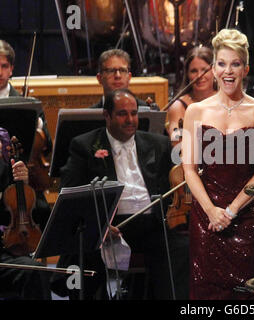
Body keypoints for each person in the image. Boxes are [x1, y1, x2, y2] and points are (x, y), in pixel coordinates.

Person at [52, 88, 189, 300]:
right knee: (84, 251)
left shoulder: (157, 143)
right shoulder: (84, 146)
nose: (130, 119)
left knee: (181, 247)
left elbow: (171, 189)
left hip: (151, 223)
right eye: (122, 114)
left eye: (134, 113)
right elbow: (71, 195)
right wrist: (100, 224)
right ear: (106, 116)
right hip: (109, 226)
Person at [181, 28, 254, 299]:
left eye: (235, 64)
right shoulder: (195, 111)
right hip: (206, 219)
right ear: (213, 69)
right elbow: (188, 169)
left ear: (246, 69)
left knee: (244, 294)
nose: (228, 71)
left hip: (245, 218)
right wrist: (212, 211)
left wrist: (231, 211)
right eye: (222, 64)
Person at [0, 39, 52, 241]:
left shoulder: (29, 104)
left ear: (11, 69)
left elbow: (46, 142)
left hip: (24, 179)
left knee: (42, 210)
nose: (0, 72)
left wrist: (38, 126)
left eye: (4, 66)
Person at [0, 128, 51, 300]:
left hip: (3, 252)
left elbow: (12, 209)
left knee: (34, 271)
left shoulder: (4, 152)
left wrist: (22, 183)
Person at [166, 46, 217, 145]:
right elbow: (176, 144)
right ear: (187, 74)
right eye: (194, 71)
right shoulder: (178, 106)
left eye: (204, 70)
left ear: (214, 71)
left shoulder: (226, 100)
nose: (199, 76)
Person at [90, 49, 157, 110]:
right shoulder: (88, 117)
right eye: (111, 71)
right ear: (99, 78)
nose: (118, 76)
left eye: (122, 70)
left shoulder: (148, 110)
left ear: (129, 77)